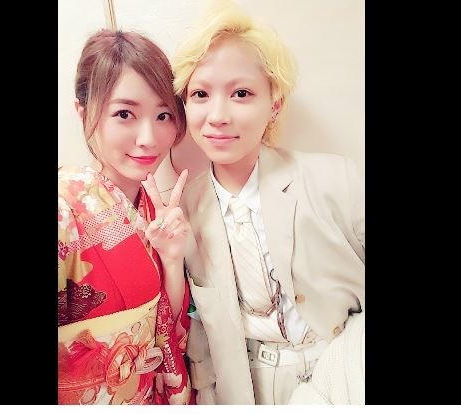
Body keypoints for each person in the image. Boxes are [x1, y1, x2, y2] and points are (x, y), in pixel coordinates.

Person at [171, 0, 365, 405]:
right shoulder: (184, 210)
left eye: (241, 93)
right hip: (248, 389)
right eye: (200, 93)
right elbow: (200, 328)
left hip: (345, 375)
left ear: (274, 103)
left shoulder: (336, 179)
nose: (218, 115)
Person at [58, 29, 192, 405]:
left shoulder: (153, 211)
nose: (148, 138)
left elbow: (167, 324)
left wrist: (172, 260)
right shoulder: (65, 207)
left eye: (163, 115)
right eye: (124, 114)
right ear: (84, 112)